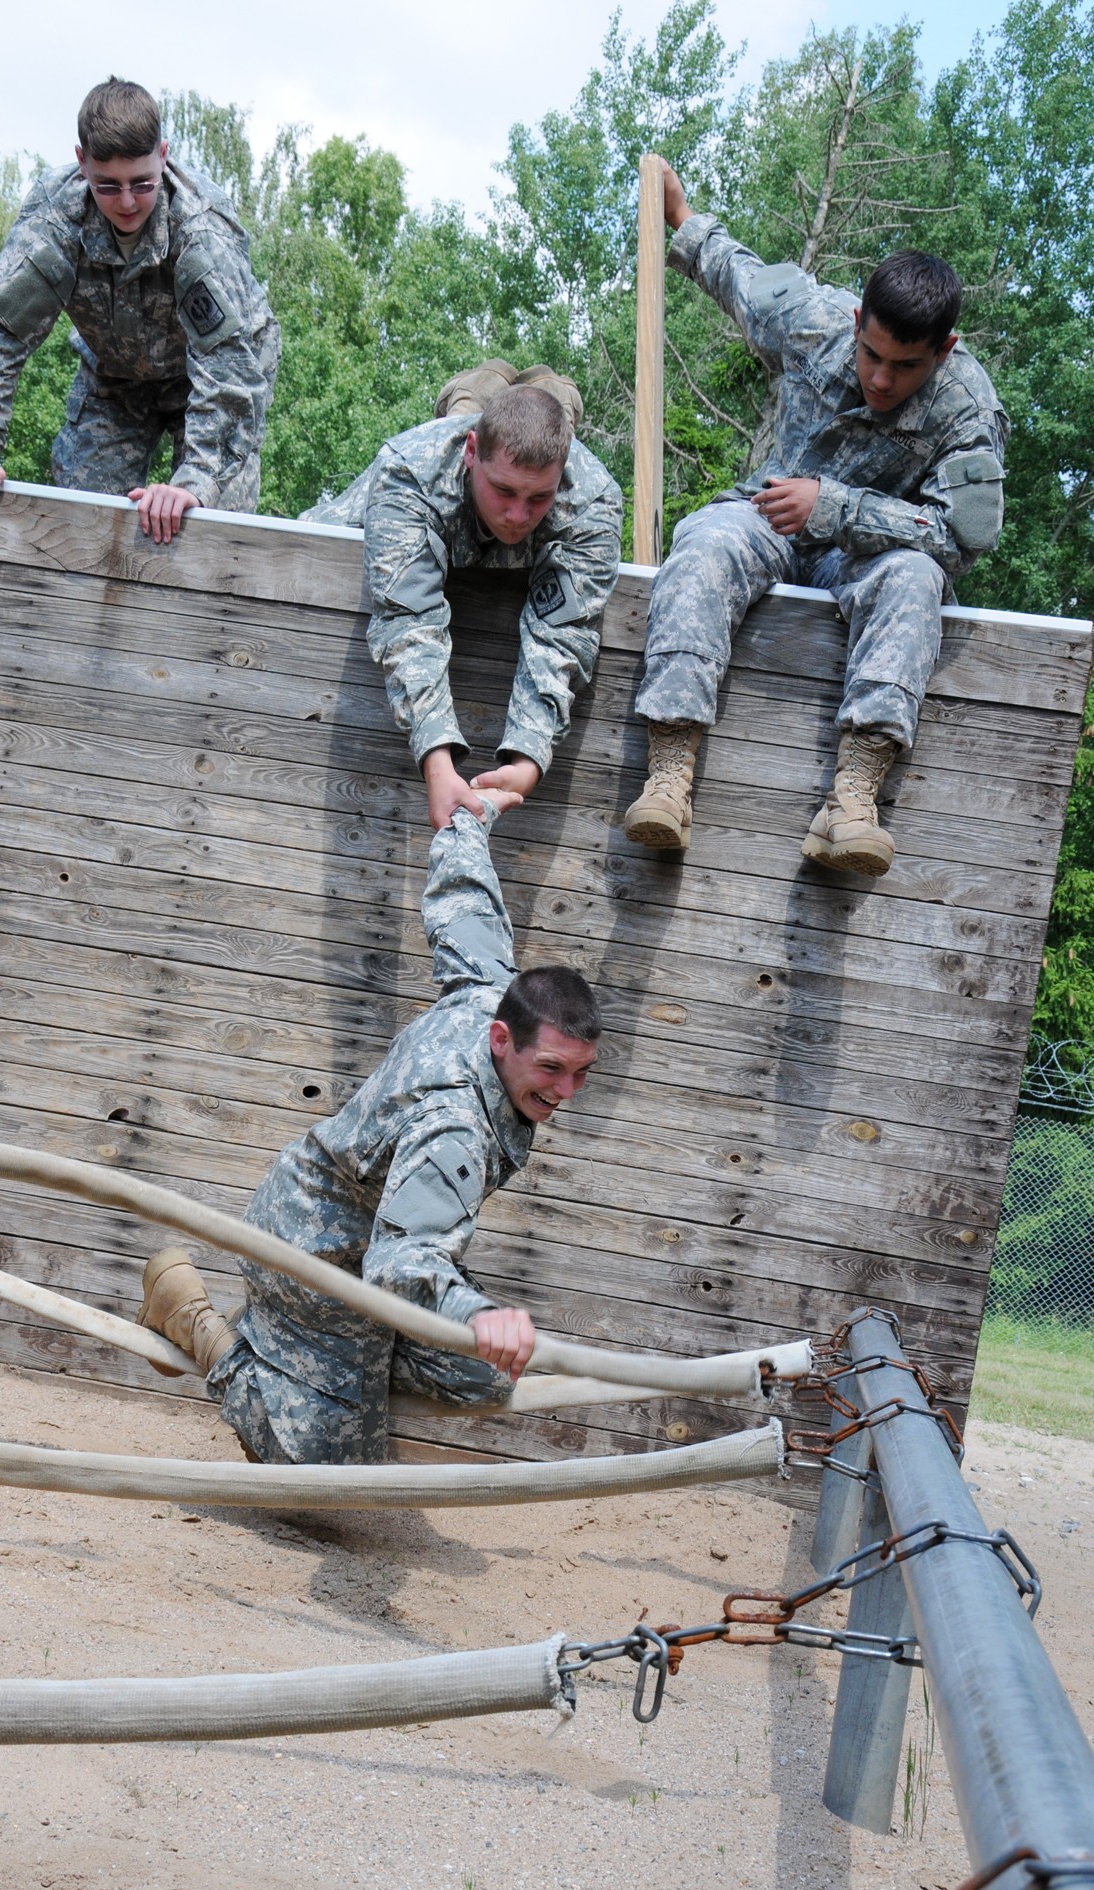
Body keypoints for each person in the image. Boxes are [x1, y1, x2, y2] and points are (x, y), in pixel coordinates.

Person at [135, 793, 602, 1465]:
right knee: (327, 1471)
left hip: (371, 1239)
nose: (563, 1092)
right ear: (502, 1039)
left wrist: (472, 818)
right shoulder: (453, 1128)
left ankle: (316, 1371)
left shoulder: (488, 993)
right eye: (552, 1070)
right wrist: (474, 1314)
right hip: (313, 1256)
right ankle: (202, 1324)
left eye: (581, 1073)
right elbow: (399, 1264)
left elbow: (464, 902)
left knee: (485, 1375)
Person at [623, 164, 1008, 876]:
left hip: (861, 553)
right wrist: (681, 217)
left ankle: (852, 801)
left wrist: (832, 507)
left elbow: (959, 537)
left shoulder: (967, 407)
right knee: (703, 541)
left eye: (905, 365)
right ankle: (668, 776)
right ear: (856, 321)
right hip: (767, 515)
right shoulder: (811, 319)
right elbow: (733, 274)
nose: (880, 379)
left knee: (915, 578)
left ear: (943, 352)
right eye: (870, 354)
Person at [0, 77, 280, 544]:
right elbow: (2, 333)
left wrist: (195, 482)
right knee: (80, 525)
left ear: (163, 155)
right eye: (108, 185)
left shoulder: (202, 231)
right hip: (117, 376)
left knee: (208, 532)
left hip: (219, 375)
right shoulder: (55, 220)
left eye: (142, 183)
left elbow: (227, 369)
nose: (126, 202)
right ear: (82, 163)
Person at [305, 364, 623, 830]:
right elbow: (407, 623)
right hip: (407, 505)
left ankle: (543, 392)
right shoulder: (411, 470)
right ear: (472, 452)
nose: (518, 515)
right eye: (504, 490)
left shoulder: (591, 501)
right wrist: (437, 764)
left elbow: (563, 637)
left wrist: (529, 757)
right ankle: (474, 390)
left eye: (539, 498)